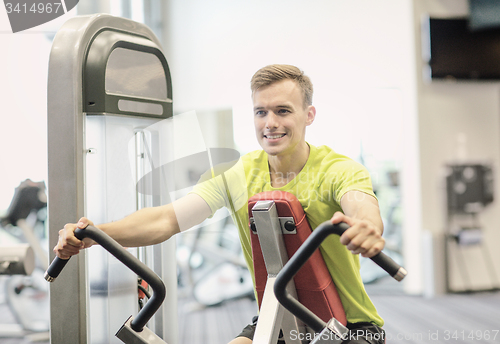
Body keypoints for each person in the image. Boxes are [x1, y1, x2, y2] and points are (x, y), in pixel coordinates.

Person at [54, 64, 386, 344]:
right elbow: (166, 220)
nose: (270, 122)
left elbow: (360, 204)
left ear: (308, 115)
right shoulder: (239, 174)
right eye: (261, 112)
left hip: (350, 326)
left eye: (283, 111)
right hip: (279, 314)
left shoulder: (338, 169)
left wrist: (366, 226)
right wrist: (93, 234)